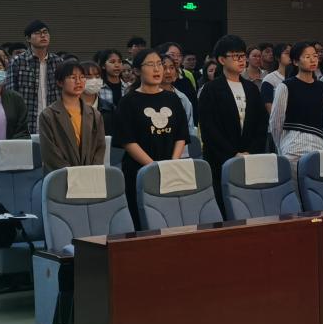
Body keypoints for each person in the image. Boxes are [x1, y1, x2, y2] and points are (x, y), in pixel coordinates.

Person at [115, 49, 188, 227]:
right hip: (139, 171)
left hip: (170, 170)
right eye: (150, 64)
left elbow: (181, 135)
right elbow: (128, 141)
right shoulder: (128, 101)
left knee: (170, 219)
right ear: (137, 71)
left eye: (159, 64)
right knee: (144, 222)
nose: (157, 69)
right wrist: (153, 167)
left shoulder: (172, 98)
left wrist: (172, 163)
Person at [198, 35, 268, 210]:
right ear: (222, 60)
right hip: (220, 160)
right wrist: (232, 154)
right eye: (236, 56)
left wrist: (251, 151)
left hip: (250, 158)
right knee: (225, 207)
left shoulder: (251, 88)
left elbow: (261, 124)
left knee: (249, 206)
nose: (241, 60)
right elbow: (209, 128)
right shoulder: (211, 89)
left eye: (243, 55)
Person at [269, 41, 323, 187]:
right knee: (297, 194)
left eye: (315, 56)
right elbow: (276, 121)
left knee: (318, 193)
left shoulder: (322, 87)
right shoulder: (286, 86)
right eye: (307, 57)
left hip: (319, 147)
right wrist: (282, 147)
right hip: (294, 149)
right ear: (296, 62)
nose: (313, 60)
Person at [6, 20, 64, 135]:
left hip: (54, 122)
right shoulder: (18, 62)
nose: (43, 35)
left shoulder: (59, 62)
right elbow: (10, 96)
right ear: (28, 38)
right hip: (26, 123)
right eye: (37, 33)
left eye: (45, 32)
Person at [160, 53, 195, 131]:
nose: (168, 71)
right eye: (164, 68)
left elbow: (189, 128)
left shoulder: (182, 98)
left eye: (172, 67)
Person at [260, 43, 291, 113]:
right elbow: (268, 106)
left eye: (292, 53)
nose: (291, 56)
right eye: (287, 53)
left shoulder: (297, 76)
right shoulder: (269, 79)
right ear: (277, 57)